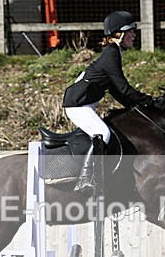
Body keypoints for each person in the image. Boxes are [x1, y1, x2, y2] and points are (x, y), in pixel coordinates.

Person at [62, 10, 154, 191]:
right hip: (77, 105)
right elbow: (123, 89)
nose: (134, 35)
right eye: (131, 31)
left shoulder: (113, 52)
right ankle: (85, 179)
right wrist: (149, 101)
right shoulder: (111, 54)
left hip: (84, 104)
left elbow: (116, 91)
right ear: (119, 34)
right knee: (102, 134)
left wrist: (138, 107)